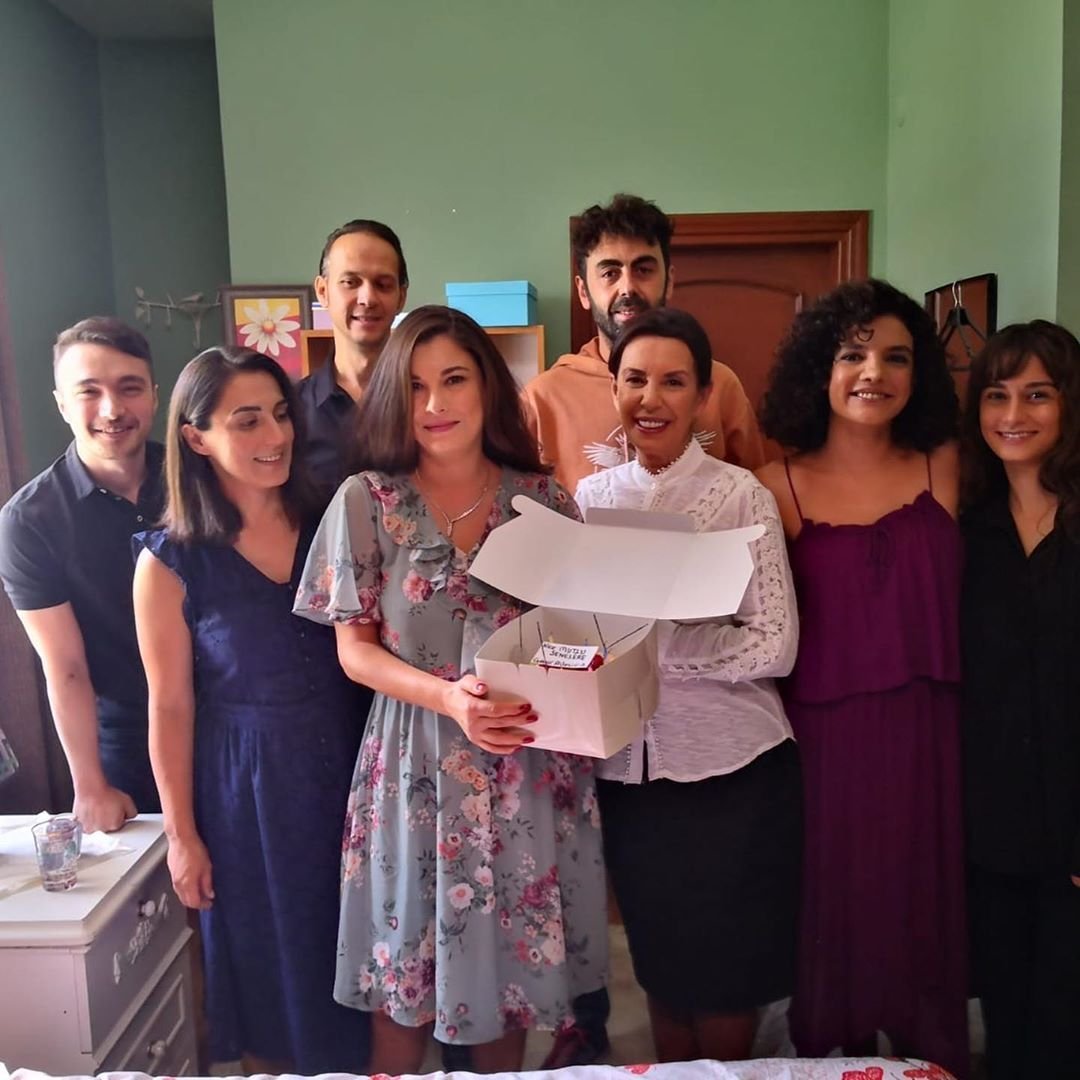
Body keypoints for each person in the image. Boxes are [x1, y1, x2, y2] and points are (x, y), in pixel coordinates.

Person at [294, 305, 608, 1076]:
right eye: (414, 386)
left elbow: (577, 637)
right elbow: (354, 652)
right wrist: (447, 699)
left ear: (488, 387)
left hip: (525, 765)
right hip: (414, 767)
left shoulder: (544, 501)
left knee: (509, 985)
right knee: (403, 989)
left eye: (455, 380)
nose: (435, 404)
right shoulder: (367, 500)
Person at [132, 347, 370, 1072]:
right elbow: (170, 706)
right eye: (247, 421)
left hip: (355, 765)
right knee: (271, 969)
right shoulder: (169, 561)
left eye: (280, 415)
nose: (275, 436)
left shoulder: (335, 518)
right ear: (196, 437)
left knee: (365, 954)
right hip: (246, 792)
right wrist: (181, 835)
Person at [575, 308, 801, 1062]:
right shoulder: (589, 500)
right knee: (660, 966)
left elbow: (775, 643)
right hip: (630, 776)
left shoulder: (742, 496)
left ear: (704, 395)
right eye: (634, 379)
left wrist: (658, 649)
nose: (651, 398)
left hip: (733, 771)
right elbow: (579, 635)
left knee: (726, 977)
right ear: (614, 388)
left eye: (674, 382)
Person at [756, 279, 967, 1075]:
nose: (874, 372)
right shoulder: (774, 483)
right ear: (820, 367)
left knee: (923, 907)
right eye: (853, 354)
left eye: (896, 357)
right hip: (825, 741)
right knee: (836, 910)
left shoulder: (948, 465)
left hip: (931, 733)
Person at [959, 320, 1080, 1080]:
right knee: (1006, 1023)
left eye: (1038, 395)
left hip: (1073, 824)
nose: (1013, 414)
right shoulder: (966, 528)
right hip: (991, 825)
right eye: (996, 395)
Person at [0, 317, 162, 832]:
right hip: (127, 735)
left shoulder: (200, 481)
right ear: (62, 404)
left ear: (154, 396)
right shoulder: (30, 520)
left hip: (232, 719)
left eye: (129, 388)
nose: (112, 410)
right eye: (89, 391)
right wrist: (89, 785)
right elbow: (65, 667)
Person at [521, 193, 763, 494]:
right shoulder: (542, 399)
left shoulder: (719, 386)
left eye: (643, 270)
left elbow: (754, 495)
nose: (628, 288)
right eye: (610, 273)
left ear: (669, 281)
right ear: (583, 291)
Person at [297, 218, 409, 493]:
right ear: (323, 291)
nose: (367, 298)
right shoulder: (291, 411)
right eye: (350, 282)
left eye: (383, 284)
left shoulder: (427, 403)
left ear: (401, 297)